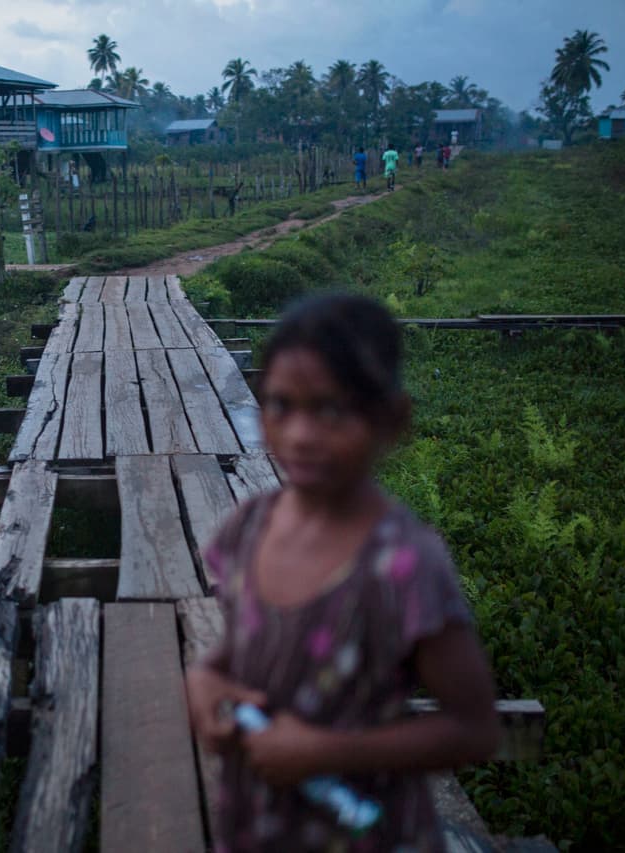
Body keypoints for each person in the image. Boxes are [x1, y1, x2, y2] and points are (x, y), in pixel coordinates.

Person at [185, 293, 501, 851]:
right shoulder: (248, 528)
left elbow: (474, 728)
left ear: (392, 420)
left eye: (332, 410)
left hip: (365, 831)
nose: (302, 434)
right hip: (257, 822)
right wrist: (205, 681)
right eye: (282, 405)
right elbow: (236, 652)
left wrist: (324, 752)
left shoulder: (404, 566)